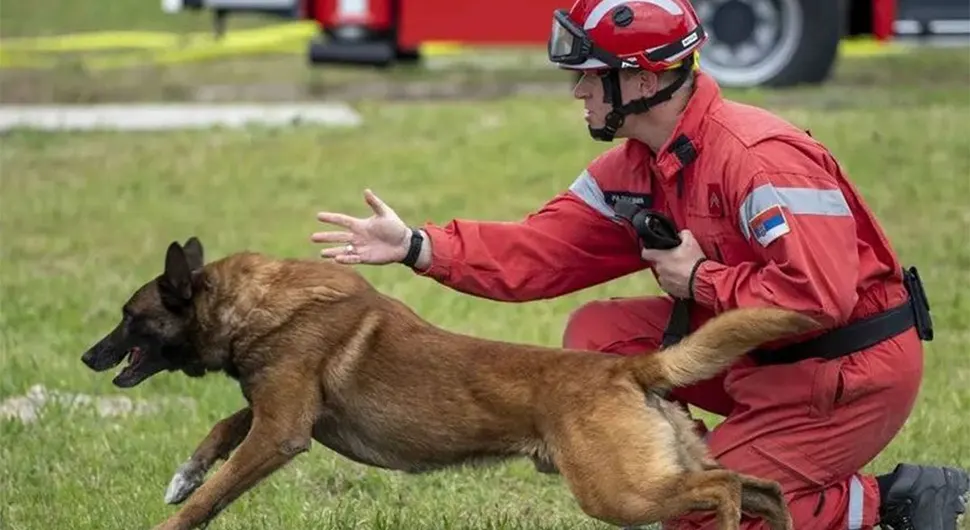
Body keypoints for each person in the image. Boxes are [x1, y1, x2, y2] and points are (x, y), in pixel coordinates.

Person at [309, 0, 969, 528]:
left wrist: (701, 280)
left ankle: (883, 502)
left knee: (700, 512)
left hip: (845, 369)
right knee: (596, 343)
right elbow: (541, 250)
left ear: (646, 79)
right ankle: (730, 458)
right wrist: (418, 246)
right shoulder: (638, 162)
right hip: (759, 354)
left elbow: (818, 297)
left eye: (592, 76)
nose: (578, 92)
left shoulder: (757, 157)